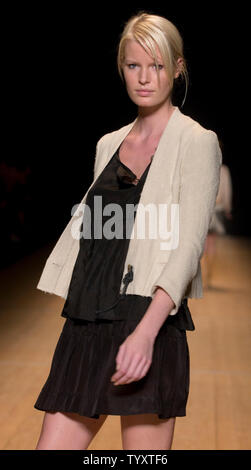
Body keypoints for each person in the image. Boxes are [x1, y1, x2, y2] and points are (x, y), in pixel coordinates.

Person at [34, 12, 222, 450]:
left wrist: (146, 333)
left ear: (177, 68)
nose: (144, 78)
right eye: (134, 65)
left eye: (157, 66)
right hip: (86, 319)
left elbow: (188, 244)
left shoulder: (196, 141)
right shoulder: (108, 143)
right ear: (121, 68)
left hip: (147, 320)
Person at [202, 141, 233, 288]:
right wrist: (227, 208)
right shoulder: (224, 170)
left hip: (205, 209)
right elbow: (227, 191)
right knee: (211, 244)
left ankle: (202, 277)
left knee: (201, 244)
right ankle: (208, 278)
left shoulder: (203, 166)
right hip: (218, 209)